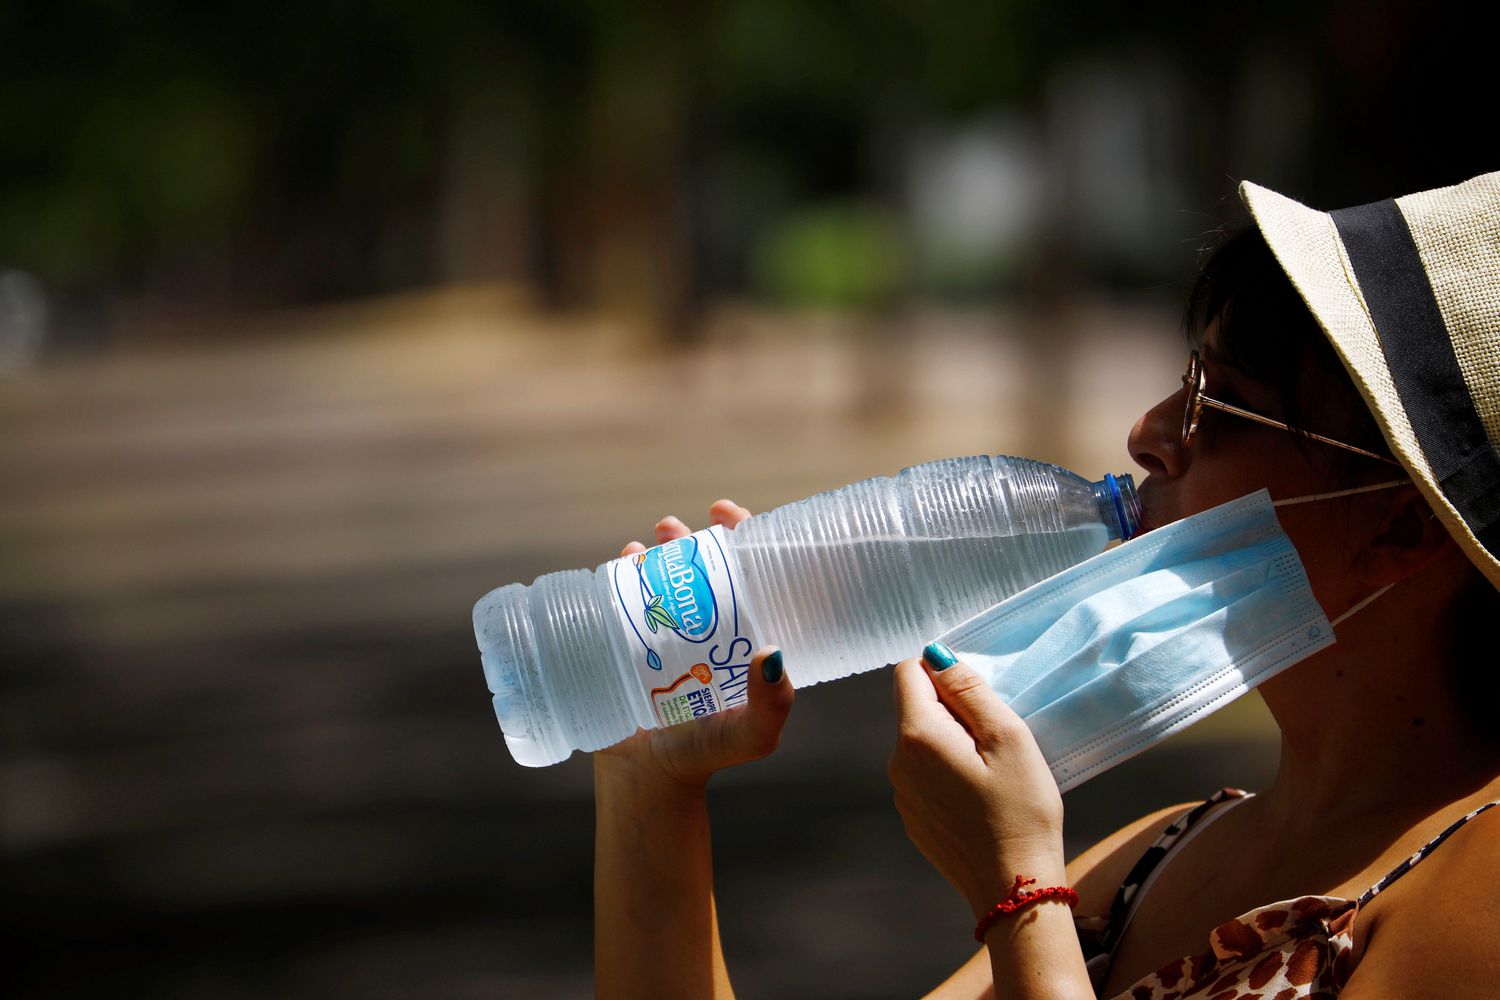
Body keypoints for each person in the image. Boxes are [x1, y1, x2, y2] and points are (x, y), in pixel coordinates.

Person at [593, 173, 1500, 998]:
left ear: (1405, 523)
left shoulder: (1477, 890)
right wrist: (652, 786)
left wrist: (1021, 899)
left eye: (1215, 405)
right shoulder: (1162, 853)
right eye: (1180, 385)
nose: (1148, 433)